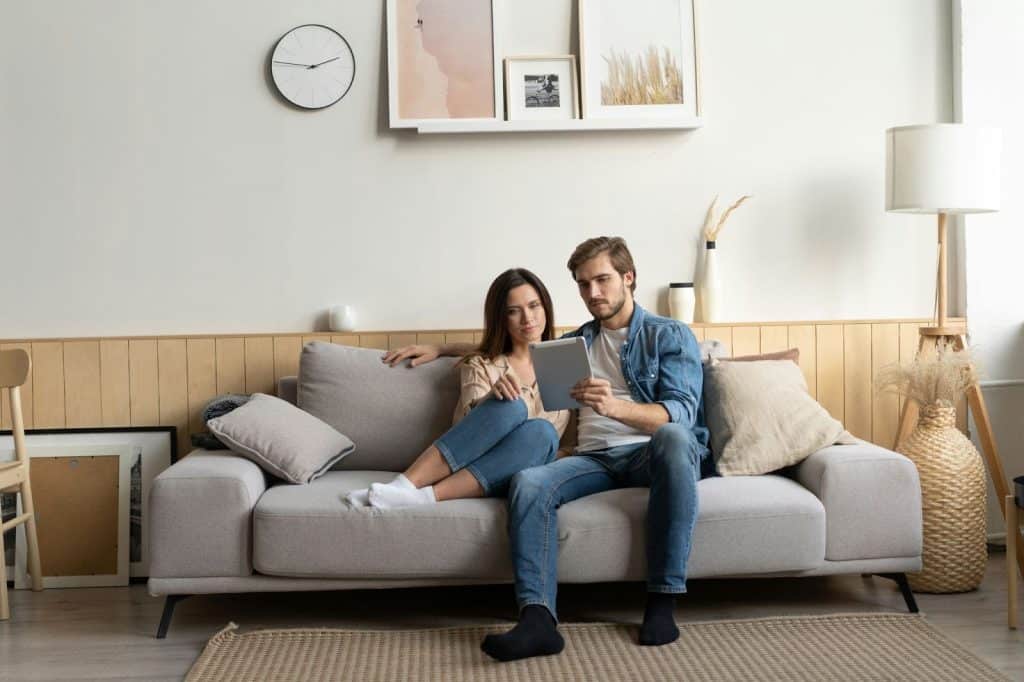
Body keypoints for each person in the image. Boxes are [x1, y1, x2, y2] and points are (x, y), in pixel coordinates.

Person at [386, 237, 708, 662]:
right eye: (582, 284)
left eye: (603, 280)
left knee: (675, 437)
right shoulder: (573, 345)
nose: (593, 293)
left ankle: (662, 599)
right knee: (530, 480)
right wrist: (444, 347)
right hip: (592, 459)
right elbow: (512, 347)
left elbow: (680, 415)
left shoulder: (669, 335)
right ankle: (538, 619)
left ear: (629, 278)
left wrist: (614, 406)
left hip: (653, 453)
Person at [347, 268, 570, 510]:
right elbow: (467, 427)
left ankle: (417, 496)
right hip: (473, 469)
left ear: (546, 306)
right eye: (513, 311)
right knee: (511, 404)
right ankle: (404, 488)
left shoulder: (566, 363)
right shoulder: (481, 364)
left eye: (534, 305)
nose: (528, 318)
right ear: (500, 319)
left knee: (543, 433)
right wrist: (491, 398)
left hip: (527, 472)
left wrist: (544, 454)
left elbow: (577, 444)